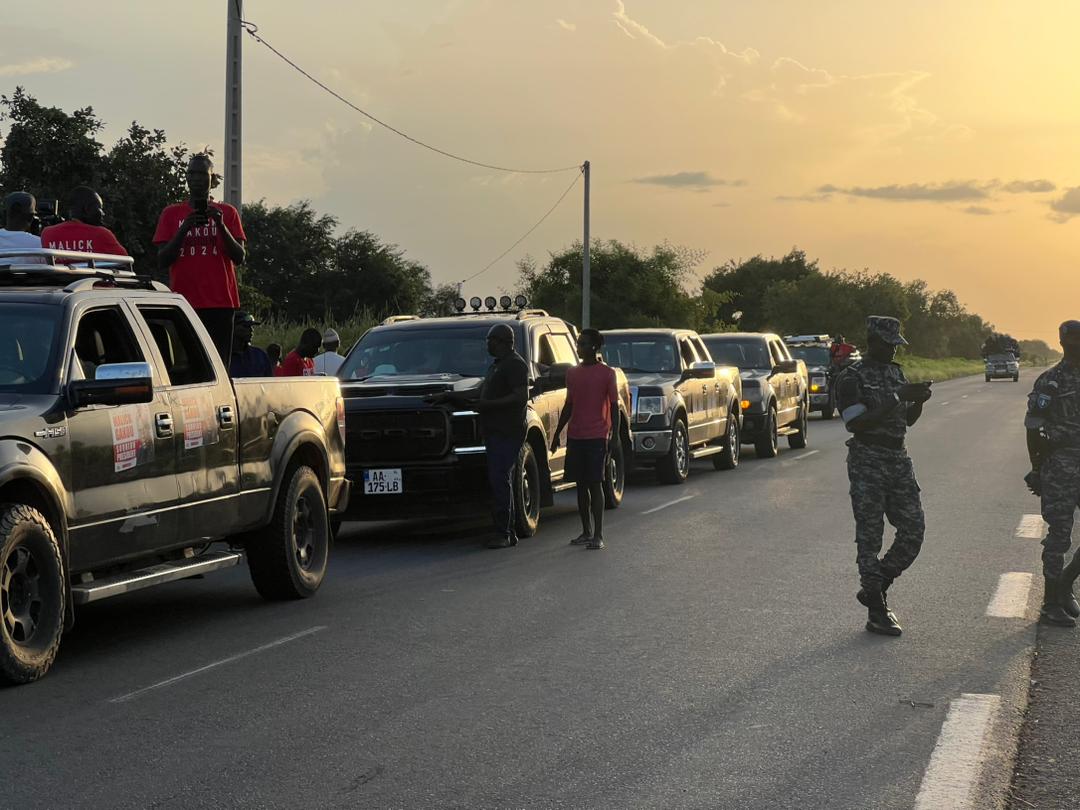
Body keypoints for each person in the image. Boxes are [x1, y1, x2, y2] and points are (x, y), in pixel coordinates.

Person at [835, 316, 932, 636]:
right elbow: (856, 424)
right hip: (868, 460)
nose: (892, 350)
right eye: (888, 344)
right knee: (870, 535)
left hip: (898, 458)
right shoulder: (852, 378)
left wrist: (916, 401)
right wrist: (897, 398)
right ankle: (877, 608)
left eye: (896, 345)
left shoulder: (896, 372)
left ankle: (878, 584)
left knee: (913, 530)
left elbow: (908, 421)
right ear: (872, 341)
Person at [429, 323, 529, 549]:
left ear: (504, 341)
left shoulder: (515, 365)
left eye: (491, 340)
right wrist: (448, 396)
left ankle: (504, 533)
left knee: (500, 480)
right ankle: (507, 531)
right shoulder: (497, 366)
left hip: (507, 432)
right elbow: (479, 392)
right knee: (498, 480)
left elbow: (520, 397)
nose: (488, 345)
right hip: (494, 432)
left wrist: (487, 405)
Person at [154, 153, 247, 364]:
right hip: (183, 301)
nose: (195, 178)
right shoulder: (172, 213)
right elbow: (162, 259)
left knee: (219, 363)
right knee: (187, 364)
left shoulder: (227, 212)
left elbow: (239, 256)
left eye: (201, 174)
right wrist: (184, 228)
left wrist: (221, 226)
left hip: (221, 302)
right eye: (191, 173)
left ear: (212, 179)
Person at [1025, 321, 1080, 627]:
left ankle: (1065, 583)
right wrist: (1036, 469)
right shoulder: (1051, 381)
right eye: (1073, 341)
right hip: (1061, 464)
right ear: (1063, 343)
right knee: (1059, 536)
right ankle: (1050, 604)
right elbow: (1033, 426)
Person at [551, 329, 619, 550]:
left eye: (582, 344)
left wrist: (614, 435)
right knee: (580, 485)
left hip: (596, 436)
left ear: (593, 347)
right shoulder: (572, 373)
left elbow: (615, 406)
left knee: (595, 483)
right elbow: (569, 404)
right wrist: (557, 433)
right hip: (576, 435)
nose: (578, 347)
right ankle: (585, 531)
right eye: (578, 343)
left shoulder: (607, 373)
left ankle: (598, 534)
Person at [40, 187, 128, 257]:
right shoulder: (102, 234)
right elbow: (126, 263)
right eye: (100, 208)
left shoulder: (47, 233)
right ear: (87, 209)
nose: (103, 213)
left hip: (57, 280)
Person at [229, 311, 273, 377]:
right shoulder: (222, 357)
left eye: (251, 326)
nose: (251, 330)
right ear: (233, 328)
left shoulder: (260, 356)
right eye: (246, 326)